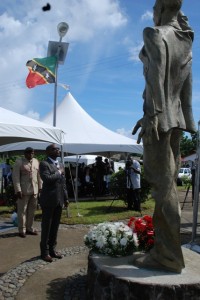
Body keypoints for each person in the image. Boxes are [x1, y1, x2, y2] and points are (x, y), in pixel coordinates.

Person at [132, 0, 196, 273]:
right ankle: (166, 249)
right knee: (167, 186)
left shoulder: (155, 33)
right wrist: (188, 124)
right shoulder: (185, 43)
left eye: (154, 8)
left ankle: (168, 256)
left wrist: (153, 116)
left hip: (159, 121)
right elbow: (187, 92)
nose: (152, 13)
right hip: (177, 121)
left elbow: (156, 78)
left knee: (163, 187)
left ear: (160, 9)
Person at [39, 144, 68, 263]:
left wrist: (66, 198)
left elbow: (63, 183)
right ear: (47, 152)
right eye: (54, 149)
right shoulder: (44, 164)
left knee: (55, 227)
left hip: (59, 200)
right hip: (49, 200)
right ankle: (44, 252)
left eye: (58, 149)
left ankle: (52, 250)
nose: (57, 150)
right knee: (47, 227)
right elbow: (47, 179)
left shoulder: (60, 164)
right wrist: (59, 172)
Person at [12, 147, 42, 238]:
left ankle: (30, 228)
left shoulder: (36, 161)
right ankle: (22, 230)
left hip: (34, 190)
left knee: (32, 211)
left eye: (32, 153)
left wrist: (40, 187)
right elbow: (15, 177)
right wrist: (18, 190)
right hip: (23, 191)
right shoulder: (19, 162)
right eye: (29, 153)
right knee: (22, 211)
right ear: (24, 153)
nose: (31, 154)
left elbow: (39, 176)